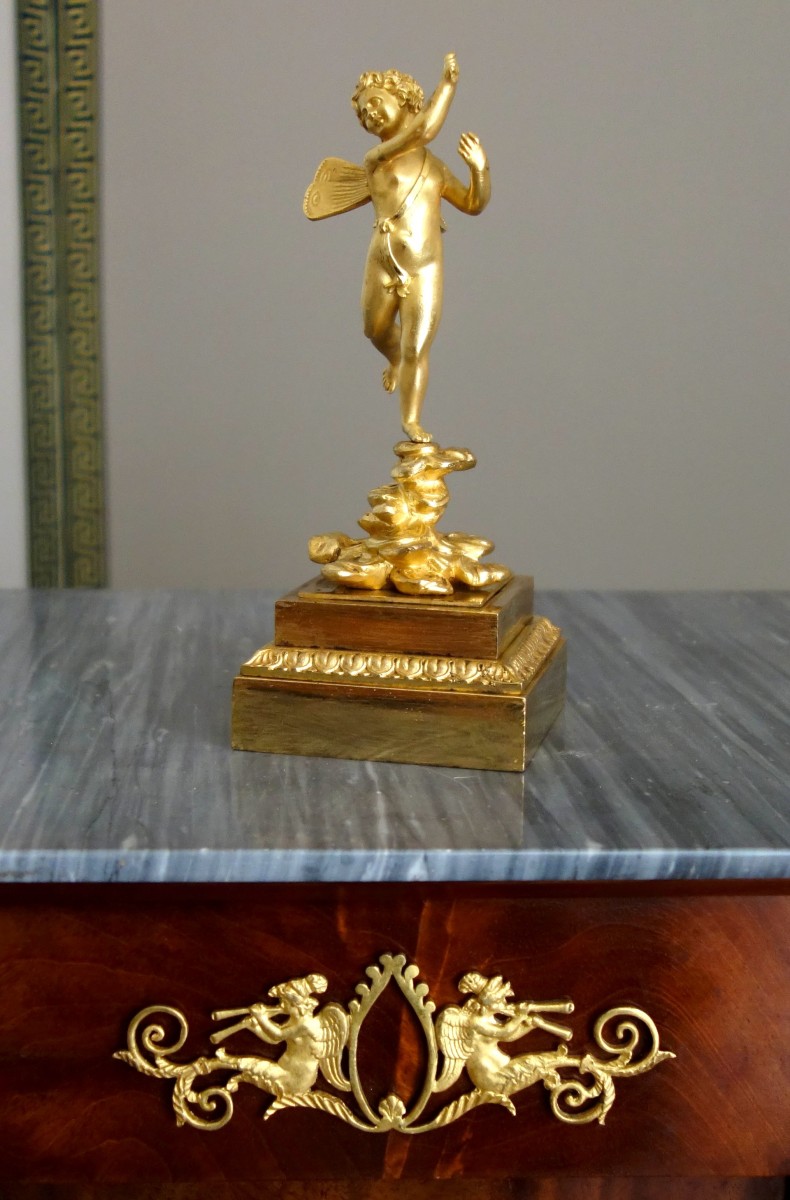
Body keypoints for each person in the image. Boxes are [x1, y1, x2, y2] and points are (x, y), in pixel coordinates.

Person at [352, 53, 490, 442]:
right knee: (374, 329)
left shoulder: (435, 167)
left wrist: (479, 169)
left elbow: (473, 204)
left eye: (375, 102)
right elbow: (425, 129)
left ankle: (411, 419)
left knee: (417, 346)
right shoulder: (376, 159)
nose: (368, 114)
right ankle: (396, 358)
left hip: (425, 267)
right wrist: (447, 86)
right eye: (362, 113)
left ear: (404, 100)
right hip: (384, 259)